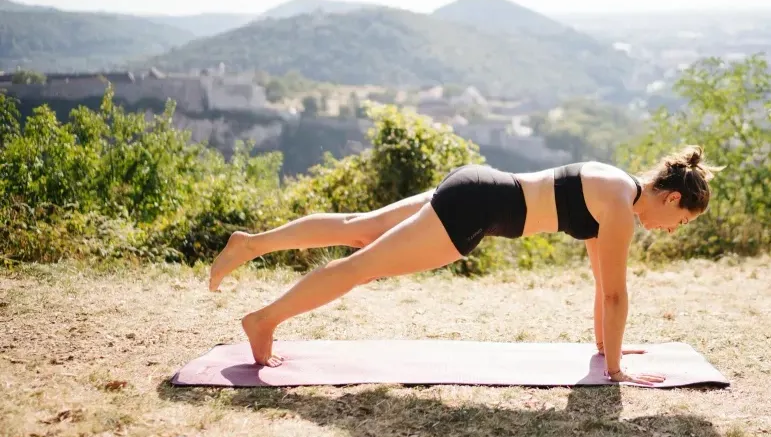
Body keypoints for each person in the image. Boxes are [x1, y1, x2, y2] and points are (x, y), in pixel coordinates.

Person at [209, 145, 720, 385]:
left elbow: (600, 287)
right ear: (672, 199)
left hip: (475, 183)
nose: (672, 230)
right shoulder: (619, 209)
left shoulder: (614, 185)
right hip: (475, 211)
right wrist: (615, 372)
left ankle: (250, 244)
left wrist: (607, 349)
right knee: (364, 264)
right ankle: (263, 320)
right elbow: (614, 294)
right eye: (680, 222)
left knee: (358, 226)